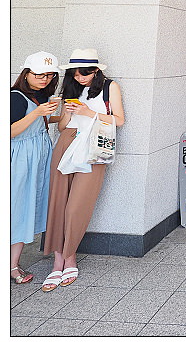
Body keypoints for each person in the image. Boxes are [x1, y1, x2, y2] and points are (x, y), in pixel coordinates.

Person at [42, 49, 125, 293]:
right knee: (57, 203)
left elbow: (119, 119)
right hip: (67, 142)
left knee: (77, 206)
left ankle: (70, 257)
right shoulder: (71, 88)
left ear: (96, 70)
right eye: (76, 73)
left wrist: (89, 113)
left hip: (94, 146)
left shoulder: (110, 87)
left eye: (85, 73)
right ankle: (58, 262)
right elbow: (64, 126)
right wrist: (66, 112)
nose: (80, 78)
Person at [11, 52, 61, 285]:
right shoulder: (16, 97)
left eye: (50, 75)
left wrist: (56, 117)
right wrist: (39, 113)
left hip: (37, 159)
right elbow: (10, 131)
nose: (45, 79)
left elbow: (35, 123)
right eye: (40, 74)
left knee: (26, 208)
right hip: (20, 161)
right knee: (17, 209)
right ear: (26, 73)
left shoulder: (40, 96)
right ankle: (12, 266)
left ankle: (13, 263)